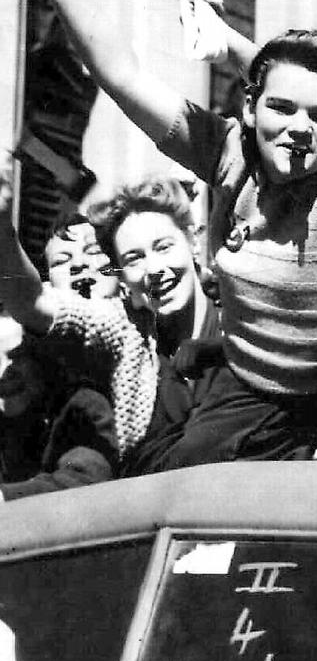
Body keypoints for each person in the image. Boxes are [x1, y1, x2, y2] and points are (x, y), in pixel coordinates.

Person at [12, 0, 317, 462]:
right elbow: (119, 74)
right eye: (281, 108)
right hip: (236, 389)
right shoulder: (228, 151)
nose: (300, 129)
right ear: (250, 109)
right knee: (181, 479)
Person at [0, 162, 220, 468]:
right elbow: (32, 302)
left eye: (163, 247)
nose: (154, 269)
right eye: (134, 258)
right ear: (121, 275)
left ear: (193, 241)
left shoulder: (242, 312)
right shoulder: (128, 330)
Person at [0, 312, 118, 499]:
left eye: (16, 356)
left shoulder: (81, 406)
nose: (3, 373)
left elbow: (84, 481)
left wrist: (4, 496)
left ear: (39, 358)